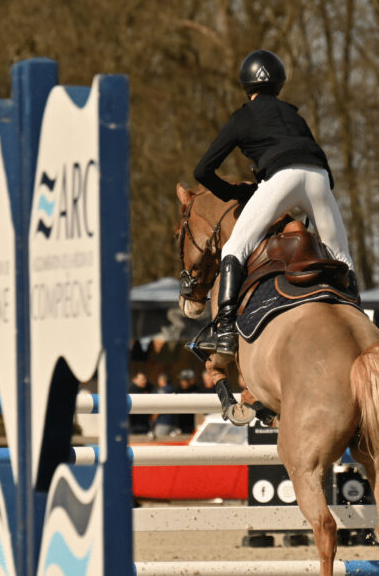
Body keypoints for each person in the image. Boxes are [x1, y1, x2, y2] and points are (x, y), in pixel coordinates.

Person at [193, 49, 357, 359]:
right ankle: (358, 317)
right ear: (279, 84)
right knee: (341, 255)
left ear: (246, 84)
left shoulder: (242, 117)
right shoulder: (294, 115)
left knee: (233, 249)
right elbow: (314, 156)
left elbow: (202, 171)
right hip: (320, 178)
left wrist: (232, 192)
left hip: (281, 177)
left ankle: (225, 330)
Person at [150, 372, 180, 440]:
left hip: (162, 422)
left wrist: (153, 418)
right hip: (173, 422)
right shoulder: (172, 389)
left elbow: (159, 405)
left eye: (159, 380)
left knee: (159, 442)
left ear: (163, 380)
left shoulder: (162, 390)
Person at [175, 368, 200, 435]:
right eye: (181, 380)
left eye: (184, 380)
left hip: (193, 425)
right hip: (181, 425)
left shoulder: (197, 390)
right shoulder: (178, 390)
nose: (182, 382)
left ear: (191, 381)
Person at [128, 371, 152, 437]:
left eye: (145, 379)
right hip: (134, 426)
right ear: (134, 380)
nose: (144, 381)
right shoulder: (130, 391)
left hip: (144, 425)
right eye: (142, 379)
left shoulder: (147, 389)